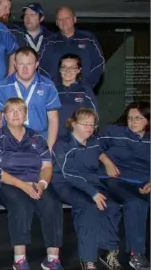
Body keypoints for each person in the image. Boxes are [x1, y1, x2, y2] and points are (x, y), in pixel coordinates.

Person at [0, 98, 64, 270]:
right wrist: (22, 185)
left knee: (52, 203)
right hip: (6, 182)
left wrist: (42, 184)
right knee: (20, 204)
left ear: (25, 115)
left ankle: (52, 259)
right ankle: (20, 260)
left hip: (35, 181)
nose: (15, 114)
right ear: (5, 116)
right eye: (11, 111)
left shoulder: (37, 137)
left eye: (19, 110)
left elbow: (46, 166)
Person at [51, 108, 122, 270]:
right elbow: (68, 173)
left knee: (112, 206)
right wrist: (93, 193)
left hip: (91, 184)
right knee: (88, 208)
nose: (90, 128)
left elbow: (100, 153)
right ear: (73, 124)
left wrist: (107, 162)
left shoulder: (94, 142)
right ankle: (88, 259)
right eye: (85, 124)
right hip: (66, 184)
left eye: (92, 125)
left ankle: (109, 252)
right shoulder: (62, 144)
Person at [98, 102, 151, 270]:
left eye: (138, 118)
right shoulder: (114, 132)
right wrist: (106, 161)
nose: (132, 122)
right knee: (135, 202)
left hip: (143, 181)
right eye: (129, 118)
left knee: (137, 202)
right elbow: (90, 146)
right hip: (115, 178)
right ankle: (137, 255)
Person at [0, 46, 62, 148]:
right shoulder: (2, 87)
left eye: (29, 64)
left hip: (39, 140)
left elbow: (53, 119)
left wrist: (49, 147)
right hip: (10, 142)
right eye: (21, 64)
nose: (25, 69)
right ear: (15, 65)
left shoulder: (48, 86)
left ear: (36, 64)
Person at [39, 7, 104, 88]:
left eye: (67, 18)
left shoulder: (88, 38)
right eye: (60, 19)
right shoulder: (49, 41)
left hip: (83, 92)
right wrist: (50, 86)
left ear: (75, 19)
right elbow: (41, 65)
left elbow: (99, 63)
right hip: (55, 92)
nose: (64, 22)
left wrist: (88, 85)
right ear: (56, 22)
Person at [55, 54, 97, 138]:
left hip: (79, 140)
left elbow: (95, 116)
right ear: (59, 70)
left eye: (73, 68)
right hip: (56, 140)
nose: (68, 71)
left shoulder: (85, 91)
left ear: (79, 70)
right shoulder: (52, 91)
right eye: (64, 67)